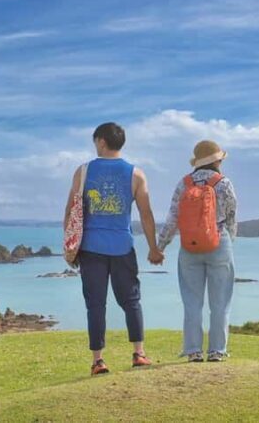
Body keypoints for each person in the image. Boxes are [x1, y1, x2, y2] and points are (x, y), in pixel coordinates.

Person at [64, 122, 164, 375]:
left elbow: (71, 210)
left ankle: (98, 361)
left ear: (101, 142)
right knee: (131, 301)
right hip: (122, 246)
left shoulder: (84, 171)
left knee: (96, 304)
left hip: (91, 248)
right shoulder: (136, 174)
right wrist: (154, 248)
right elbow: (146, 214)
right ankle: (139, 354)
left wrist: (70, 247)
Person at [158, 140, 238, 363]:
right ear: (218, 160)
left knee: (192, 302)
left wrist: (160, 247)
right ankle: (217, 351)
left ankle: (193, 351)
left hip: (189, 245)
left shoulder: (183, 184)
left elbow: (172, 220)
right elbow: (231, 216)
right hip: (218, 243)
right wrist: (229, 240)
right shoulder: (223, 183)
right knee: (220, 302)